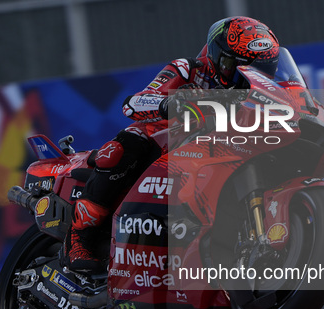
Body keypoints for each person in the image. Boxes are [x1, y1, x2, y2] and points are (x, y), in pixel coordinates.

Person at [60, 16, 280, 272]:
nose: (247, 78)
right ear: (219, 56)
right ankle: (77, 239)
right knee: (122, 150)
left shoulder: (262, 93)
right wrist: (167, 104)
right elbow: (133, 103)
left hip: (213, 154)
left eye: (262, 69)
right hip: (160, 141)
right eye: (238, 67)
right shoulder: (188, 69)